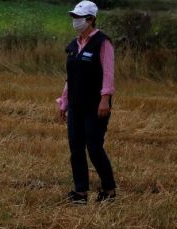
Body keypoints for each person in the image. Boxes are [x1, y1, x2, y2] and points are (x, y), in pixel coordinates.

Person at [56, 1, 117, 204]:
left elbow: (108, 73)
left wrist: (105, 99)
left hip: (95, 105)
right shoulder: (73, 46)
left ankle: (109, 189)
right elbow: (70, 77)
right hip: (76, 105)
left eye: (79, 17)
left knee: (94, 147)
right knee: (76, 148)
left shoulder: (102, 42)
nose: (75, 21)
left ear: (90, 19)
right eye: (74, 17)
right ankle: (80, 192)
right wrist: (64, 102)